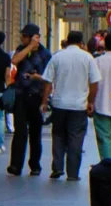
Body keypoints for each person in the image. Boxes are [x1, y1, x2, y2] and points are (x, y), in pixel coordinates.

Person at [40, 30, 101, 181]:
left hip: (60, 104)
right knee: (76, 139)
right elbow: (94, 83)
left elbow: (47, 82)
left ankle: (57, 167)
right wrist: (91, 102)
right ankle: (73, 173)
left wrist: (44, 101)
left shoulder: (57, 56)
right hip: (79, 106)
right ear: (81, 42)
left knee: (58, 135)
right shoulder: (87, 58)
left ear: (67, 41)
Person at [7, 24, 52, 177]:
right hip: (20, 95)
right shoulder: (22, 49)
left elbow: (48, 78)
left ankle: (35, 165)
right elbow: (14, 61)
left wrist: (44, 100)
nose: (22, 38)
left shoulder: (45, 54)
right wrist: (29, 47)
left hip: (36, 96)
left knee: (35, 133)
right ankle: (15, 165)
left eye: (25, 36)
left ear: (34, 36)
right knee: (19, 132)